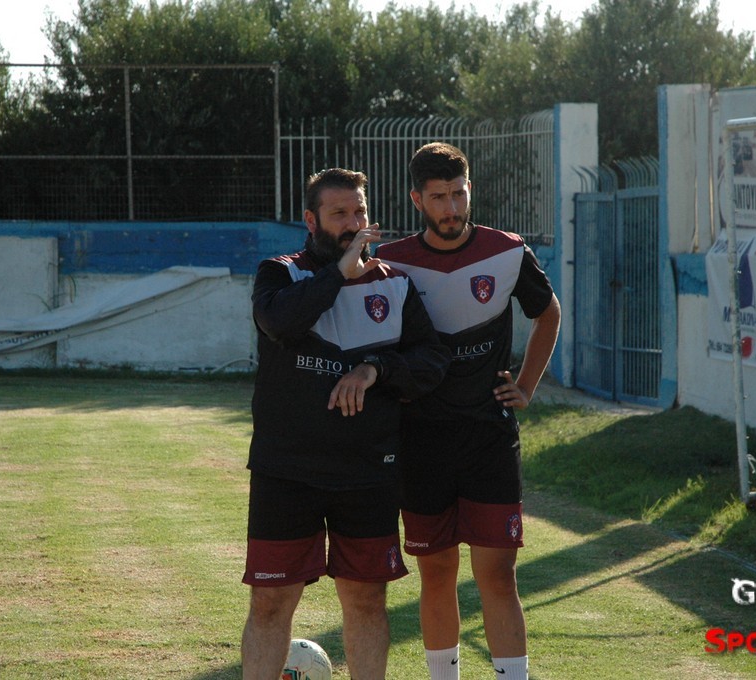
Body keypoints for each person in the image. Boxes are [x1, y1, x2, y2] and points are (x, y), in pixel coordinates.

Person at [240, 167, 450, 680]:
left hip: (368, 470)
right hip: (287, 470)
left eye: (360, 212)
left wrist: (374, 368)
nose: (354, 224)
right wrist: (339, 273)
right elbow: (281, 323)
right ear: (311, 221)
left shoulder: (395, 284)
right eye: (339, 214)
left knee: (366, 599)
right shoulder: (280, 274)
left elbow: (431, 362)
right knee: (271, 601)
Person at [377, 142, 561, 680]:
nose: (452, 208)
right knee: (436, 573)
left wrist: (525, 386)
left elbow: (548, 313)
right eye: (439, 197)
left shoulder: (507, 251)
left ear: (470, 190)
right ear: (418, 200)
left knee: (498, 575)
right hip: (421, 440)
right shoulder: (391, 263)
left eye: (459, 194)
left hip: (488, 438)